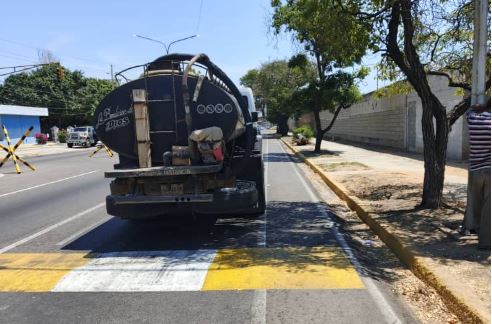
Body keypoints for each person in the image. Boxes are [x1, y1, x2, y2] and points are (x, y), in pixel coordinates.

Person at [461, 102, 491, 250]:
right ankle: (485, 241)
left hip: (475, 171)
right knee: (488, 207)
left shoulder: (473, 119)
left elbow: (467, 111)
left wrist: (478, 107)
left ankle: (476, 229)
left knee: (475, 204)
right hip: (490, 171)